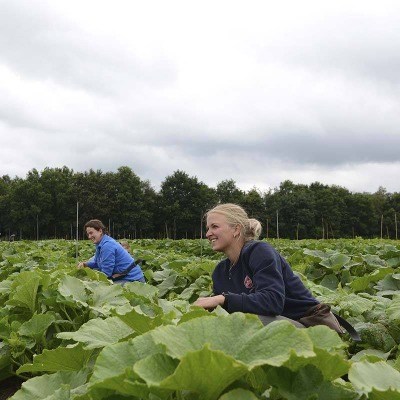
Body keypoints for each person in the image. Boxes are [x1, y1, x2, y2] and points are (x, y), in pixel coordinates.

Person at [194, 203, 320, 327]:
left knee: (247, 321)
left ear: (236, 229)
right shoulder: (220, 271)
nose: (208, 234)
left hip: (308, 324)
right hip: (272, 327)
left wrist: (222, 299)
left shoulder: (259, 251)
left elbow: (273, 302)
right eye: (208, 228)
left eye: (214, 227)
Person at [78, 219, 145, 284]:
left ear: (100, 231)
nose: (89, 236)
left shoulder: (107, 245)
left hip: (133, 279)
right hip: (122, 277)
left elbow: (106, 274)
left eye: (91, 233)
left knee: (102, 289)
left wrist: (90, 282)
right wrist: (85, 264)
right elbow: (96, 263)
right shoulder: (100, 244)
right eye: (88, 234)